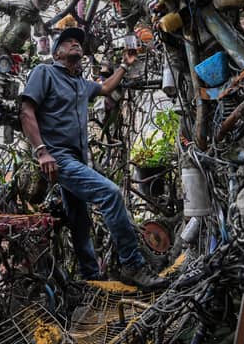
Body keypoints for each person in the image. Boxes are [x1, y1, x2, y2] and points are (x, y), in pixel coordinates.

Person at [19, 27, 168, 290]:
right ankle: (133, 265)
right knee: (110, 194)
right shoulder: (45, 73)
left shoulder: (80, 84)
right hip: (57, 157)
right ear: (57, 52)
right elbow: (26, 110)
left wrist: (124, 64)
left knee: (79, 219)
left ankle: (91, 278)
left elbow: (106, 87)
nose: (76, 44)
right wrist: (41, 151)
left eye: (78, 42)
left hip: (77, 159)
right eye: (69, 42)